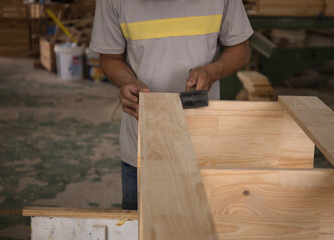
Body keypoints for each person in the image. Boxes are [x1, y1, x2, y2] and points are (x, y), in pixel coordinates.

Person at [90, 0, 253, 210]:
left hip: (203, 146)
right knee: (140, 228)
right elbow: (111, 57)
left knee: (201, 228)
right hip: (142, 148)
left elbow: (239, 47)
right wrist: (128, 82)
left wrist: (213, 72)